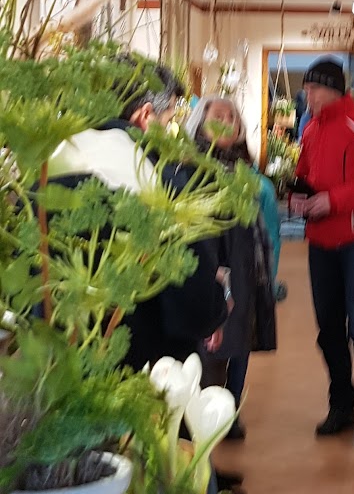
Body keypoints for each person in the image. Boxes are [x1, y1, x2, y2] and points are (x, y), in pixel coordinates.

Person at [46, 59, 229, 372]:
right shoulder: (154, 177)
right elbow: (192, 309)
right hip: (137, 366)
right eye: (169, 119)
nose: (171, 131)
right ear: (145, 116)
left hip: (54, 362)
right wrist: (218, 302)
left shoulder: (52, 157)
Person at [291, 58, 354, 444]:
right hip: (321, 240)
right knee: (328, 327)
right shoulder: (311, 128)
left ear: (333, 89)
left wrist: (333, 200)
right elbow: (304, 174)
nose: (308, 96)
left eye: (313, 89)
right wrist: (298, 196)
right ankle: (341, 403)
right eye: (306, 89)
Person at [184, 96, 278, 442]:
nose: (226, 121)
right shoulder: (192, 167)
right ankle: (208, 425)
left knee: (239, 344)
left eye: (232, 116)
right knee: (211, 353)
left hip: (243, 273)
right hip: (215, 275)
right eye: (218, 115)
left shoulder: (243, 169)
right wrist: (217, 285)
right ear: (200, 122)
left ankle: (229, 413)